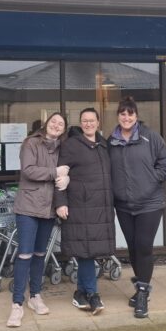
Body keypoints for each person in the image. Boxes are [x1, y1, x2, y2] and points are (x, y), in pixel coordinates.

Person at [108, 96, 166, 318]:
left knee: (144, 246)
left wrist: (148, 179)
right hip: (124, 206)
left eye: (130, 114)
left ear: (136, 116)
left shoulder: (151, 138)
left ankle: (143, 294)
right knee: (133, 248)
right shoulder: (112, 141)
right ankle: (141, 286)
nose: (126, 117)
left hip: (149, 204)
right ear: (118, 116)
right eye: (123, 113)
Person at [7, 112, 70, 328]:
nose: (56, 125)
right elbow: (29, 170)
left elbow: (69, 168)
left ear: (63, 129)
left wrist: (67, 176)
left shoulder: (63, 148)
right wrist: (55, 172)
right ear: (46, 124)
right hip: (28, 207)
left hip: (48, 209)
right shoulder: (31, 143)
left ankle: (35, 295)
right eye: (53, 122)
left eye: (60, 124)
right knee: (24, 253)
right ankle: (17, 304)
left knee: (40, 253)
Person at [55, 108, 115, 315]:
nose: (88, 124)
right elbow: (60, 178)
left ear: (98, 122)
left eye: (92, 120)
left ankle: (80, 293)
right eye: (84, 121)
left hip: (101, 207)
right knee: (87, 252)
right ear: (80, 123)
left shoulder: (105, 145)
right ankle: (93, 294)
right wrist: (60, 203)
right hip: (80, 207)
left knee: (86, 251)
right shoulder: (71, 146)